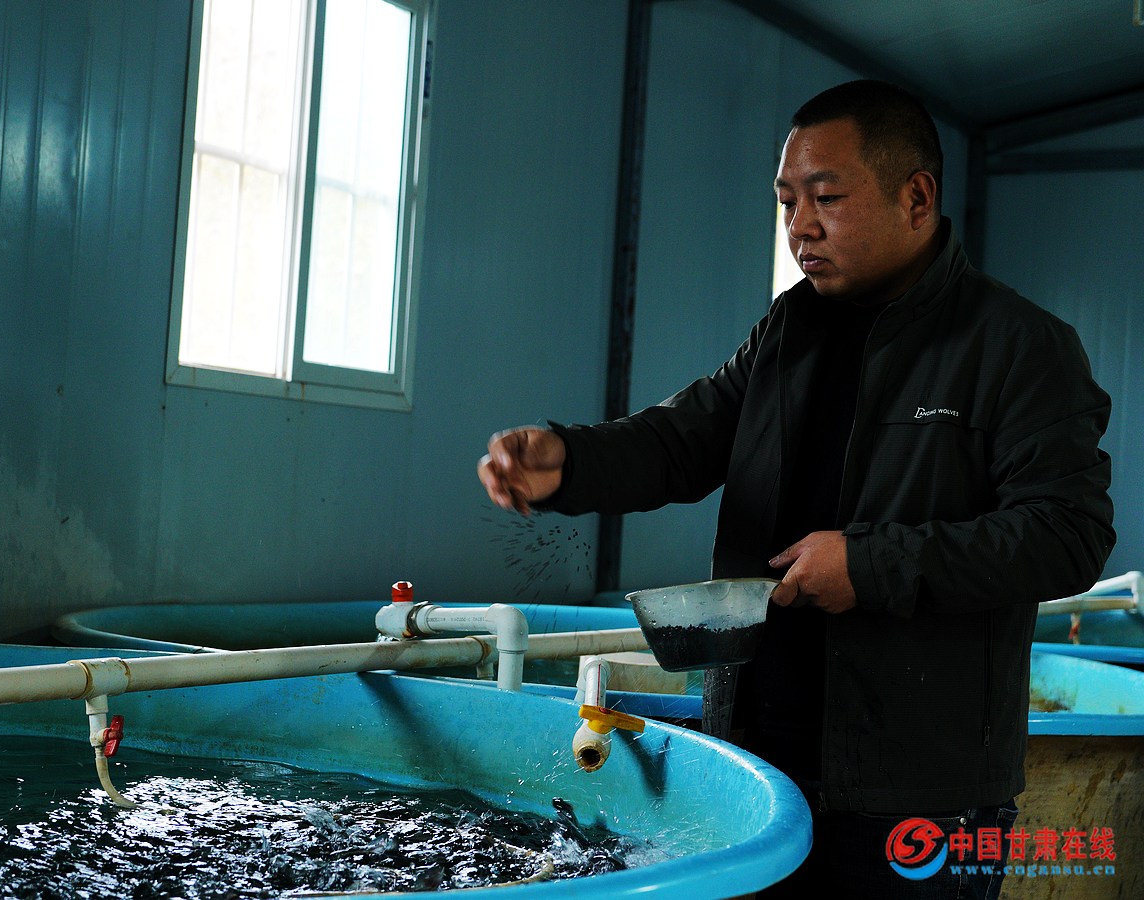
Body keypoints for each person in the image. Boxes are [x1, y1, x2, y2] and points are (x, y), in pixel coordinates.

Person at [477, 80, 1114, 898]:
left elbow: (1067, 534)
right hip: (760, 763)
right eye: (787, 201)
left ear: (917, 197)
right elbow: (682, 439)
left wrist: (869, 566)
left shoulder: (1016, 345)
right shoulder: (789, 330)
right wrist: (568, 461)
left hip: (915, 792)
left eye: (826, 198)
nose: (800, 226)